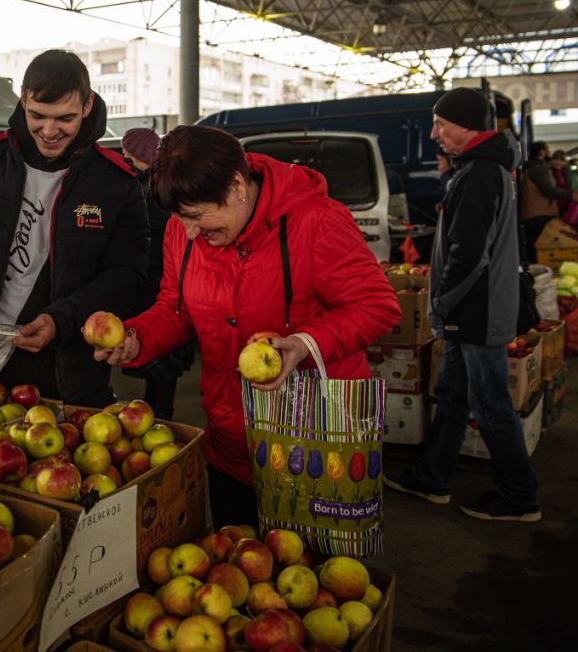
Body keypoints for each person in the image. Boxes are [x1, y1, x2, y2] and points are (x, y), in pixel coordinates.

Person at [94, 125, 400, 527]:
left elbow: (377, 305)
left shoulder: (317, 222)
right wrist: (138, 338)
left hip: (312, 438)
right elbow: (176, 307)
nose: (189, 231)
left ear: (237, 185)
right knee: (236, 561)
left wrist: (304, 344)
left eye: (197, 216)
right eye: (180, 218)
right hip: (231, 439)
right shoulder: (181, 232)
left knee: (315, 571)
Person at [0, 49, 148, 406]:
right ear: (23, 100)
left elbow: (127, 277)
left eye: (64, 118)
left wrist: (62, 320)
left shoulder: (116, 183)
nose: (49, 131)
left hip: (66, 367)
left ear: (87, 105)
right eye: (38, 115)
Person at [386, 87, 541, 523]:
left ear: (466, 126)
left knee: (490, 403)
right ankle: (433, 476)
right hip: (473, 307)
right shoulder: (488, 170)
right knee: (452, 394)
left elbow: (469, 255)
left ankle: (520, 495)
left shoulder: (478, 175)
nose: (434, 133)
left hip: (476, 308)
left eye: (441, 124)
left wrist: (438, 304)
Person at [119, 127, 194, 420]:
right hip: (173, 285)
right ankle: (161, 413)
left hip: (151, 287)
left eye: (127, 154)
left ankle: (156, 415)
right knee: (166, 365)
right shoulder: (171, 189)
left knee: (157, 353)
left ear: (137, 156)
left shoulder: (139, 191)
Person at [520, 141, 575, 263]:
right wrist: (572, 196)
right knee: (539, 249)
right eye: (547, 149)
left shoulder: (530, 167)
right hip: (539, 214)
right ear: (542, 152)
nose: (549, 152)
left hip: (532, 214)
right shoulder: (539, 168)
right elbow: (549, 190)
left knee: (533, 247)